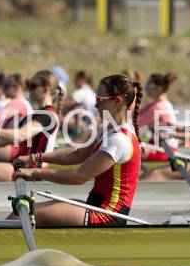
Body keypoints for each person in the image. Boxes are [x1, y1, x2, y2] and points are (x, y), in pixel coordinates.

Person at [10, 73, 142, 227]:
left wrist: (35, 172)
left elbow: (78, 176)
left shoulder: (119, 139)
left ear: (117, 101)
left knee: (25, 213)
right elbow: (77, 154)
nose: (96, 105)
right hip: (96, 207)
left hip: (107, 216)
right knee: (28, 212)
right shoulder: (108, 128)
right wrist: (35, 158)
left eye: (100, 100)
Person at [138, 72, 179, 161]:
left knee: (126, 149)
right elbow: (135, 114)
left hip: (166, 150)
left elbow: (136, 123)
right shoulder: (156, 104)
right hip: (157, 145)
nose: (145, 88)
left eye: (148, 86)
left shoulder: (160, 106)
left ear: (158, 89)